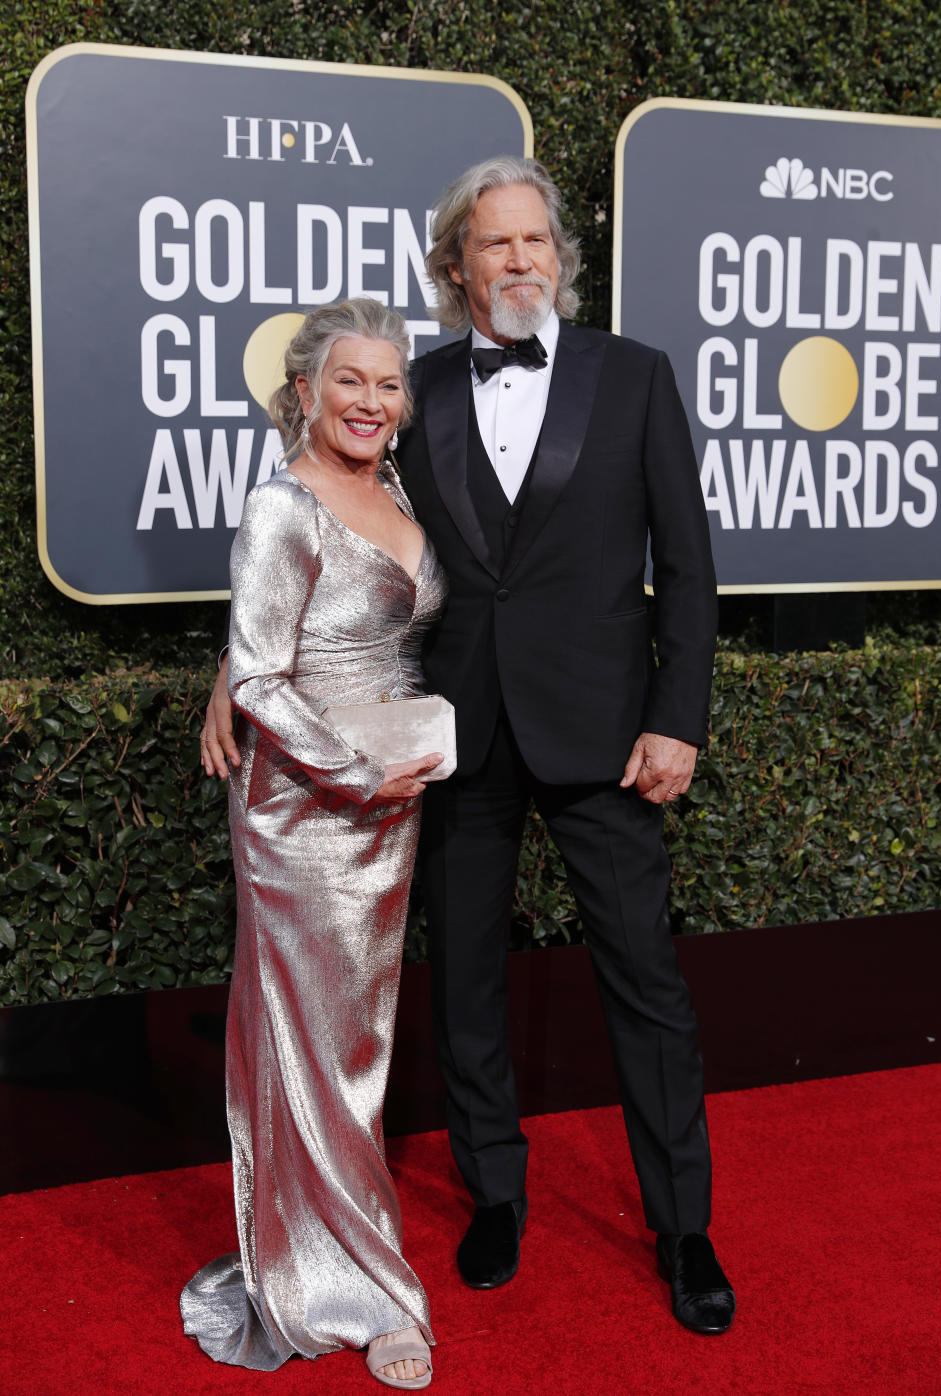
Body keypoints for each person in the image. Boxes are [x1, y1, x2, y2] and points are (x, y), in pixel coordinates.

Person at [204, 157, 735, 1336]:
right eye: (496, 245)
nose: (521, 262)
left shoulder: (637, 378)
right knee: (471, 988)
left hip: (605, 735)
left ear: (561, 254)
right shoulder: (418, 388)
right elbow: (328, 522)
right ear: (457, 265)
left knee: (647, 984)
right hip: (454, 733)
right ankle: (495, 1192)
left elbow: (689, 566)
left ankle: (682, 1224)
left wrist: (676, 714)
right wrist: (229, 677)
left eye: (537, 241)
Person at [185, 298, 447, 1389]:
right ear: (306, 390)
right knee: (327, 1055)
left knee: (358, 1047)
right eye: (352, 381)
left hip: (394, 797)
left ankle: (308, 1250)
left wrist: (398, 764)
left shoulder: (393, 489)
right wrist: (351, 770)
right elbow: (257, 675)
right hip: (304, 811)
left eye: (389, 385)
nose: (372, 401)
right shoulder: (280, 506)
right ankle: (365, 1291)